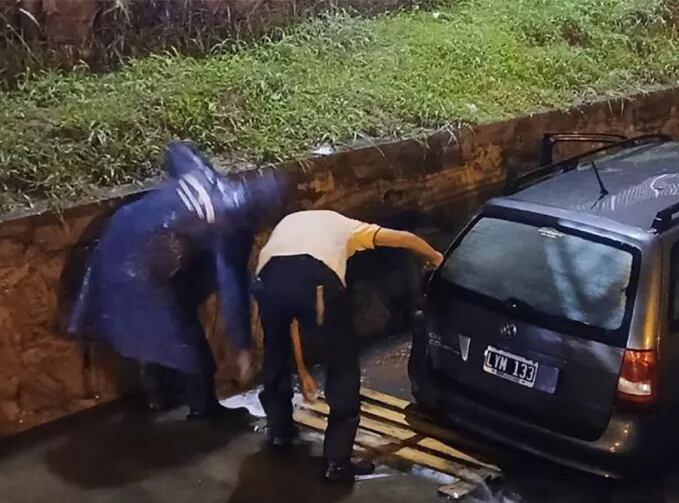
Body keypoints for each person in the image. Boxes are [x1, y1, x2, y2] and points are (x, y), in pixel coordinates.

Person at [68, 141, 284, 419]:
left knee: (164, 328)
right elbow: (233, 290)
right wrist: (242, 349)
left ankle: (161, 394)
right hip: (140, 269)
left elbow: (176, 150)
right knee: (190, 349)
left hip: (115, 243)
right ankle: (204, 411)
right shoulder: (231, 225)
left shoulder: (209, 180)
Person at [253, 210, 443, 484]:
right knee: (341, 362)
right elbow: (404, 238)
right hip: (315, 278)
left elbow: (291, 322)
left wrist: (303, 370)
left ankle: (280, 433)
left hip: (267, 278)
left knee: (274, 352)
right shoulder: (349, 227)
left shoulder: (289, 223)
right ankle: (337, 463)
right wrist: (435, 256)